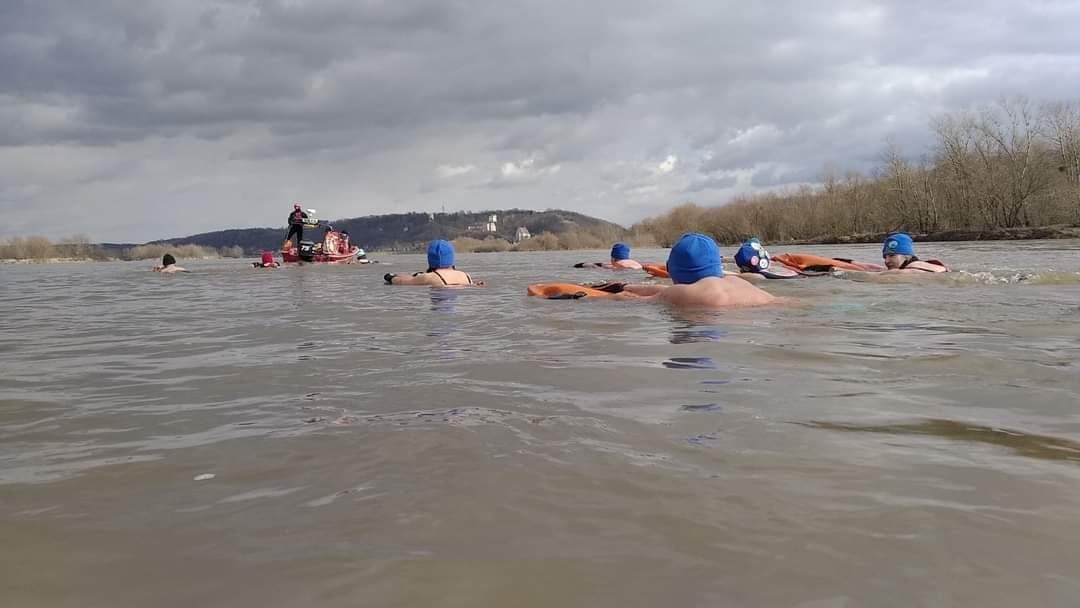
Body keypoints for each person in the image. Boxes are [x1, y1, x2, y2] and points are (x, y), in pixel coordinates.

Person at [616, 233, 776, 307]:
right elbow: (666, 290)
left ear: (673, 271)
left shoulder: (678, 293)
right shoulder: (735, 282)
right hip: (769, 306)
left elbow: (636, 300)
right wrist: (626, 285)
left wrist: (620, 294)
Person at [384, 239, 484, 286]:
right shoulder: (466, 276)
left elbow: (402, 282)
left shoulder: (429, 277)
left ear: (431, 259)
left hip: (436, 283)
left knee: (414, 276)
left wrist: (390, 277)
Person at [880, 232, 949, 272]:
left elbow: (893, 274)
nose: (887, 261)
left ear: (906, 256)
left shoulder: (913, 267)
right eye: (885, 257)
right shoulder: (908, 266)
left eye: (892, 255)